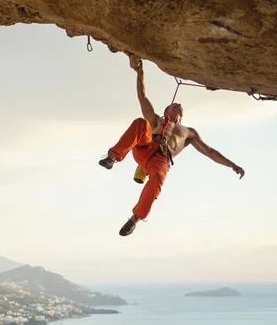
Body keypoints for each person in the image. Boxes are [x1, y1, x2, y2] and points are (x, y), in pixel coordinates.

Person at [99, 55, 245, 236]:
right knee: (141, 122)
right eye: (174, 104)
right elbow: (142, 96)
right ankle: (113, 157)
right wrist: (140, 73)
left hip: (161, 159)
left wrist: (232, 165)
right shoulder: (157, 120)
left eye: (180, 106)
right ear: (166, 110)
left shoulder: (189, 132)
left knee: (159, 176)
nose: (179, 104)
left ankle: (135, 218)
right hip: (146, 145)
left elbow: (209, 152)